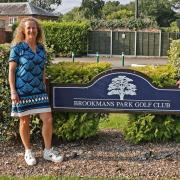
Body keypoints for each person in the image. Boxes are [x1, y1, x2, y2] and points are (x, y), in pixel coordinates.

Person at [8, 17, 63, 166]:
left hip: (39, 91)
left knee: (48, 119)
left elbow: (42, 69)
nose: (32, 30)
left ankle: (47, 151)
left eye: (34, 28)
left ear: (37, 30)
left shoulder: (41, 48)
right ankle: (28, 151)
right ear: (23, 31)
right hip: (22, 91)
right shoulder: (17, 48)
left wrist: (44, 83)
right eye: (29, 28)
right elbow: (12, 71)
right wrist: (13, 91)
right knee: (25, 121)